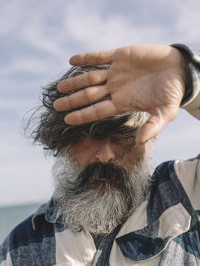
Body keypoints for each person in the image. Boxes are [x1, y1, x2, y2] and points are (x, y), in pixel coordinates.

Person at [0, 43, 200, 266]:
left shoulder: (185, 192)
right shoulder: (19, 246)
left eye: (121, 136)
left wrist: (189, 78)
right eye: (88, 136)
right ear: (63, 144)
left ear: (149, 141)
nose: (105, 156)